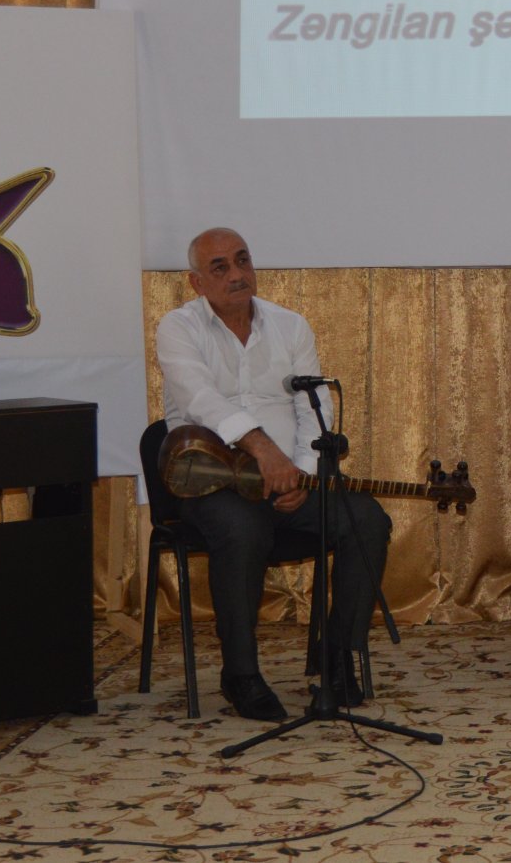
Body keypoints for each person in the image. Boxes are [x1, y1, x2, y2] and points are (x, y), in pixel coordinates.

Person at [154, 227, 392, 722]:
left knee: (367, 520)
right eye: (220, 267)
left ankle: (335, 657)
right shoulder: (178, 327)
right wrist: (263, 449)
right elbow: (201, 400)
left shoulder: (291, 325)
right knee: (243, 529)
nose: (237, 274)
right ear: (196, 282)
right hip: (210, 482)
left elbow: (314, 407)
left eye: (242, 260)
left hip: (289, 479)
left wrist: (300, 474)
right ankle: (241, 674)